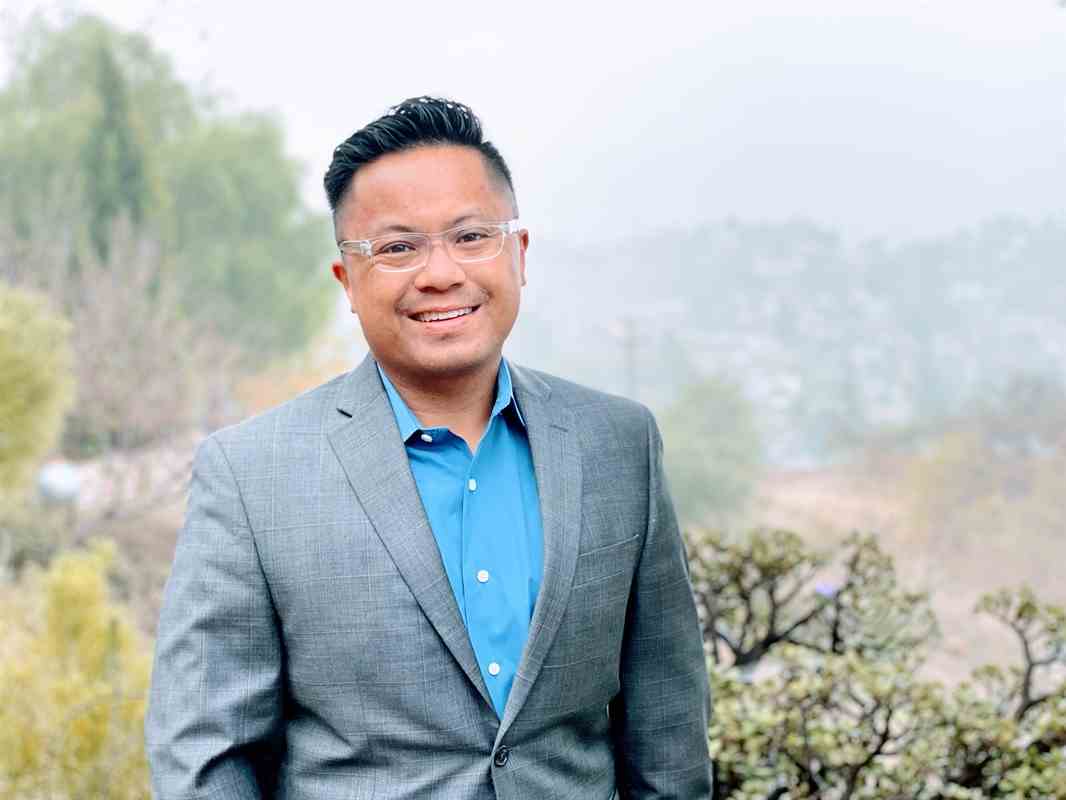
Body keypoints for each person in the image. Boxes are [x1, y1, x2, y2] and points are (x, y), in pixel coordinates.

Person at [145, 96, 712, 799]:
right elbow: (205, 755)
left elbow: (668, 736)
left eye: (471, 236)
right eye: (397, 247)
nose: (441, 273)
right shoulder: (252, 474)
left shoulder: (617, 444)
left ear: (519, 253)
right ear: (347, 281)